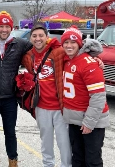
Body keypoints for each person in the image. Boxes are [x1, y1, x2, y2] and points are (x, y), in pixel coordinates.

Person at [0, 11, 33, 167]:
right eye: (1, 26)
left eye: (7, 26)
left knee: (10, 132)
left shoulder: (21, 44)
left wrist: (89, 53)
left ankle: (13, 161)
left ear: (12, 27)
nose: (4, 30)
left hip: (10, 98)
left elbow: (43, 48)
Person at [21, 24, 72, 167]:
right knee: (46, 141)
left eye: (41, 35)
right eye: (34, 36)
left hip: (59, 107)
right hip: (41, 106)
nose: (38, 39)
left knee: (64, 142)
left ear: (46, 37)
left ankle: (66, 165)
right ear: (30, 38)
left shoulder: (58, 52)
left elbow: (76, 53)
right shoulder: (29, 56)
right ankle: (48, 164)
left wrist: (95, 59)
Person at [61, 26, 110, 167]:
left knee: (92, 161)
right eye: (66, 42)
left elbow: (98, 96)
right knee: (77, 158)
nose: (69, 46)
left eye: (73, 42)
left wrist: (89, 122)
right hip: (75, 119)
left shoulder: (89, 63)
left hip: (90, 121)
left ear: (80, 44)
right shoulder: (66, 59)